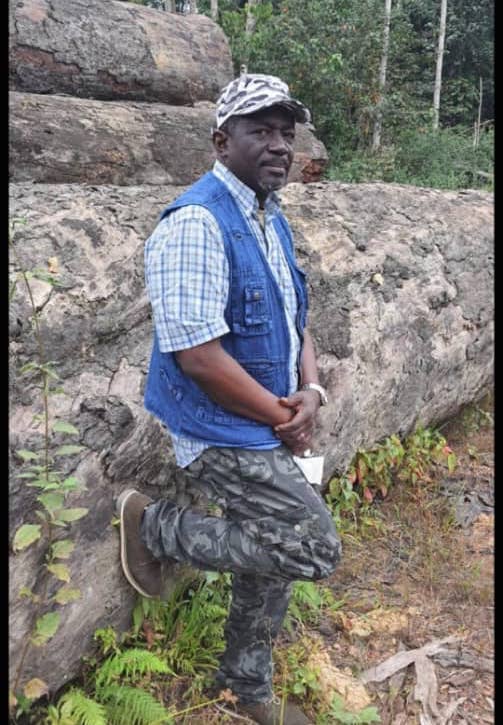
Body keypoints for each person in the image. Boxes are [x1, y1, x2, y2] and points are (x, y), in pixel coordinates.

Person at [116, 73, 342, 725]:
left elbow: (296, 317)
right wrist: (283, 419)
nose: (279, 145)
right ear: (221, 141)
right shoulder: (196, 223)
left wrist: (309, 389)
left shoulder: (269, 216)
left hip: (267, 417)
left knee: (275, 544)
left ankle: (247, 687)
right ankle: (154, 526)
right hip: (216, 426)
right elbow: (198, 357)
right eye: (260, 131)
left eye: (286, 133)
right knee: (311, 546)